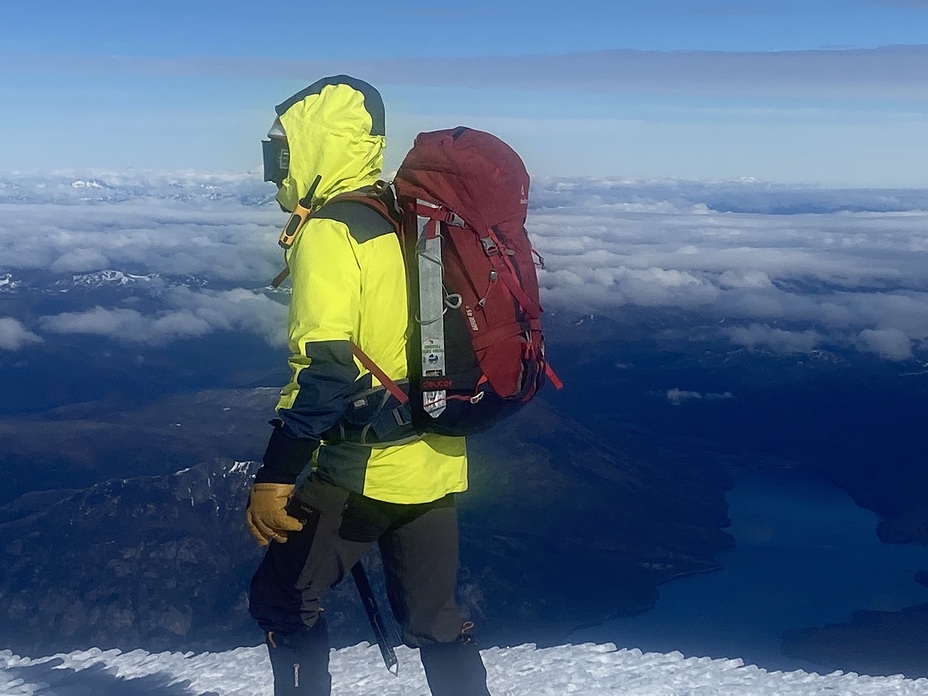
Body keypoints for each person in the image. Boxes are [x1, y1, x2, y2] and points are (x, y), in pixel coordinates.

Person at [245, 75, 492, 696]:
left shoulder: (333, 230)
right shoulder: (406, 217)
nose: (274, 165)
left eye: (281, 149)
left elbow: (327, 368)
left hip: (362, 468)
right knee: (434, 619)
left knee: (284, 604)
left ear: (313, 145)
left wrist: (276, 477)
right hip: (436, 454)